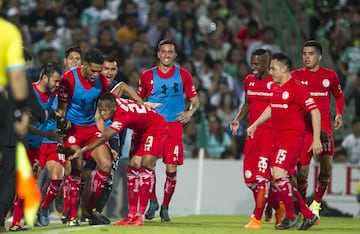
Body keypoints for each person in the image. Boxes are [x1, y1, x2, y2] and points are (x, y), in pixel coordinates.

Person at [56, 48, 142, 226]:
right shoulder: (69, 79)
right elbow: (61, 111)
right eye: (93, 70)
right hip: (72, 129)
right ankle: (71, 214)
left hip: (90, 128)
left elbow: (98, 114)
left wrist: (106, 141)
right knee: (76, 167)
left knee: (106, 164)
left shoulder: (101, 81)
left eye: (99, 70)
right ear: (84, 65)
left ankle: (90, 209)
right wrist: (62, 129)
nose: (96, 74)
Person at [69, 93, 168, 226]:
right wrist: (144, 104)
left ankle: (139, 216)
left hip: (156, 128)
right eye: (100, 109)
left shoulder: (122, 117)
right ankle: (131, 215)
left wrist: (82, 150)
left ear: (114, 108)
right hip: (140, 130)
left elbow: (104, 138)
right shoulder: (114, 101)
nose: (102, 114)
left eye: (105, 110)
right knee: (132, 168)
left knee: (145, 167)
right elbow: (121, 87)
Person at [247, 53, 322, 230]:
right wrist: (255, 124)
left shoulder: (297, 88)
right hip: (277, 139)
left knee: (279, 175)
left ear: (284, 68)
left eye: (273, 68)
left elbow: (315, 111)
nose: (270, 72)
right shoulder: (275, 87)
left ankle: (290, 216)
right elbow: (272, 107)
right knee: (280, 178)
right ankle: (308, 214)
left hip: (292, 139)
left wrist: (316, 138)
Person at [139, 39, 200, 222]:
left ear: (175, 55)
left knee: (171, 169)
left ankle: (165, 207)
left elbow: (195, 101)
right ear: (158, 54)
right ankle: (153, 201)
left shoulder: (184, 75)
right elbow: (138, 100)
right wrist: (144, 106)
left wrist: (190, 113)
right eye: (163, 51)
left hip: (174, 126)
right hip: (154, 125)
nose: (166, 55)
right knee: (148, 165)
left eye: (170, 52)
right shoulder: (147, 75)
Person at [230, 49, 284, 229]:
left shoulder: (275, 81)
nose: (253, 67)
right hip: (252, 134)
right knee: (250, 180)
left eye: (257, 64)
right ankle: (278, 206)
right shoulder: (249, 80)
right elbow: (247, 102)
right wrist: (238, 119)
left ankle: (256, 218)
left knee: (262, 177)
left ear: (267, 64)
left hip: (270, 135)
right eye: (252, 63)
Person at [292, 40, 344, 221]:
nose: (307, 57)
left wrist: (339, 113)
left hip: (325, 128)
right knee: (302, 173)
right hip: (304, 130)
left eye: (311, 54)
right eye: (304, 53)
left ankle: (316, 204)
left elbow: (338, 96)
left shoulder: (330, 76)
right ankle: (301, 208)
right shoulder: (295, 76)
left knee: (327, 168)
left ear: (320, 56)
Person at [12, 62, 63, 228]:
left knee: (30, 181)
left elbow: (49, 112)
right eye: (55, 81)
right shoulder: (29, 92)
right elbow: (25, 124)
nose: (57, 85)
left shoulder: (51, 96)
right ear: (45, 78)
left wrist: (60, 120)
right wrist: (47, 134)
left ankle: (24, 219)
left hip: (37, 144)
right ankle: (15, 221)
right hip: (22, 142)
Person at [0, 0, 30, 230]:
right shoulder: (8, 32)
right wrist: (21, 111)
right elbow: (17, 77)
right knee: (9, 171)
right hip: (3, 106)